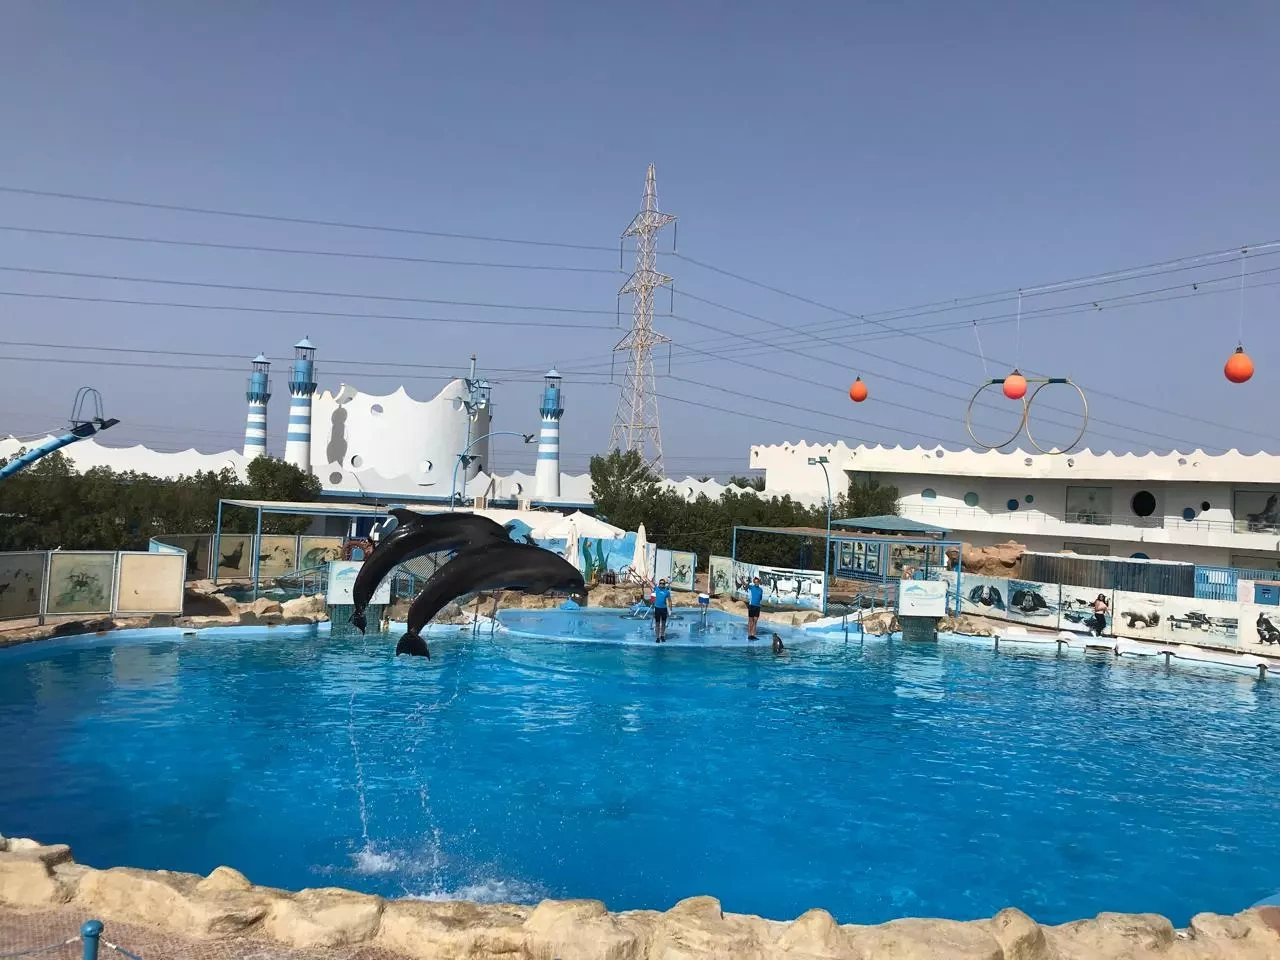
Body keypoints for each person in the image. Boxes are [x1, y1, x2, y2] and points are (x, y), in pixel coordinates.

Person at [652, 578, 671, 642]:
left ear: (664, 584)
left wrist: (670, 609)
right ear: (659, 584)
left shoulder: (667, 592)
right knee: (657, 623)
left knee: (663, 623)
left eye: (663, 583)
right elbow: (650, 583)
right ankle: (657, 637)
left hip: (664, 609)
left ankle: (662, 636)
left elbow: (669, 601)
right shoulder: (656, 589)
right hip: (657, 608)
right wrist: (645, 578)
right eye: (660, 583)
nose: (661, 584)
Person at [746, 576, 764, 640]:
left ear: (759, 582)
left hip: (757, 606)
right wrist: (742, 580)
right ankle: (749, 634)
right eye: (755, 582)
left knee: (755, 621)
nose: (756, 583)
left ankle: (753, 635)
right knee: (750, 621)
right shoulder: (751, 587)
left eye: (757, 582)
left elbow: (760, 598)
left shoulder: (761, 590)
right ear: (754, 582)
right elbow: (745, 585)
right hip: (752, 606)